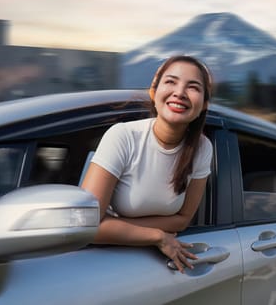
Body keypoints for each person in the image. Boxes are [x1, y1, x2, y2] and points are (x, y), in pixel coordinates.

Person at [81, 55, 213, 273]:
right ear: (154, 91)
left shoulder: (202, 148)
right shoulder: (123, 136)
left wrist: (115, 226)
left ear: (204, 104)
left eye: (193, 87)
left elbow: (182, 220)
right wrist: (157, 236)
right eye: (171, 82)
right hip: (102, 263)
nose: (179, 93)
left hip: (156, 270)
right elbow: (87, 224)